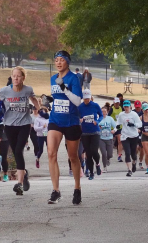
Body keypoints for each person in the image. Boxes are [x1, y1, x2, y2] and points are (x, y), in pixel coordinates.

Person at [0, 66, 40, 195]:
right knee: (15, 152)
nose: (15, 78)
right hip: (9, 125)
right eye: (13, 76)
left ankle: (19, 184)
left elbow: (34, 100)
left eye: (18, 76)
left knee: (19, 150)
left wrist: (38, 108)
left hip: (24, 124)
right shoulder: (4, 91)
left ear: (23, 78)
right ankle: (24, 173)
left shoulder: (27, 90)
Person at [47, 50, 83, 205]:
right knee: (51, 153)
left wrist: (64, 89)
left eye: (61, 60)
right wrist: (48, 101)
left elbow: (77, 101)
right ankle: (56, 191)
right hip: (55, 119)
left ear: (67, 62)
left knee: (73, 157)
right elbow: (57, 98)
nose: (58, 63)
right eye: (56, 60)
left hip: (71, 121)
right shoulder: (53, 78)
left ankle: (77, 188)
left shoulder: (74, 78)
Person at [79, 89, 103, 180]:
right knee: (88, 153)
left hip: (95, 131)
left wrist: (97, 121)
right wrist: (80, 119)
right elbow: (77, 116)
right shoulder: (80, 107)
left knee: (94, 151)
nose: (86, 101)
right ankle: (91, 172)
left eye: (88, 99)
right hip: (85, 132)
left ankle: (97, 164)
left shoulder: (95, 105)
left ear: (90, 97)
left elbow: (100, 115)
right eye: (85, 99)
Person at [116, 100, 142, 177]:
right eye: (125, 107)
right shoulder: (121, 114)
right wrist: (116, 127)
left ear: (130, 107)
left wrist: (133, 124)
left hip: (134, 135)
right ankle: (129, 170)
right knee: (127, 152)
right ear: (123, 107)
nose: (126, 108)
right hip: (125, 136)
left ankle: (134, 162)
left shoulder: (134, 114)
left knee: (133, 153)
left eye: (127, 106)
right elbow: (118, 123)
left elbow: (140, 124)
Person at [99, 106, 116, 173]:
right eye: (102, 112)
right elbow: (95, 127)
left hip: (109, 138)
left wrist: (114, 130)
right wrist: (98, 128)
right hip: (101, 138)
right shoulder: (99, 119)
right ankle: (104, 167)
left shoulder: (110, 119)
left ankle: (108, 159)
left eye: (105, 112)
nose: (103, 113)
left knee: (110, 154)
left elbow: (116, 127)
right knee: (103, 153)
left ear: (107, 112)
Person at [108, 97, 124, 162]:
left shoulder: (121, 108)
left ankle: (119, 155)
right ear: (113, 103)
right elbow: (108, 117)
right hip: (112, 127)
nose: (117, 104)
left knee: (120, 141)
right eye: (115, 103)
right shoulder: (112, 109)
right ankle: (108, 155)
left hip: (119, 127)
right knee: (110, 141)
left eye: (118, 103)